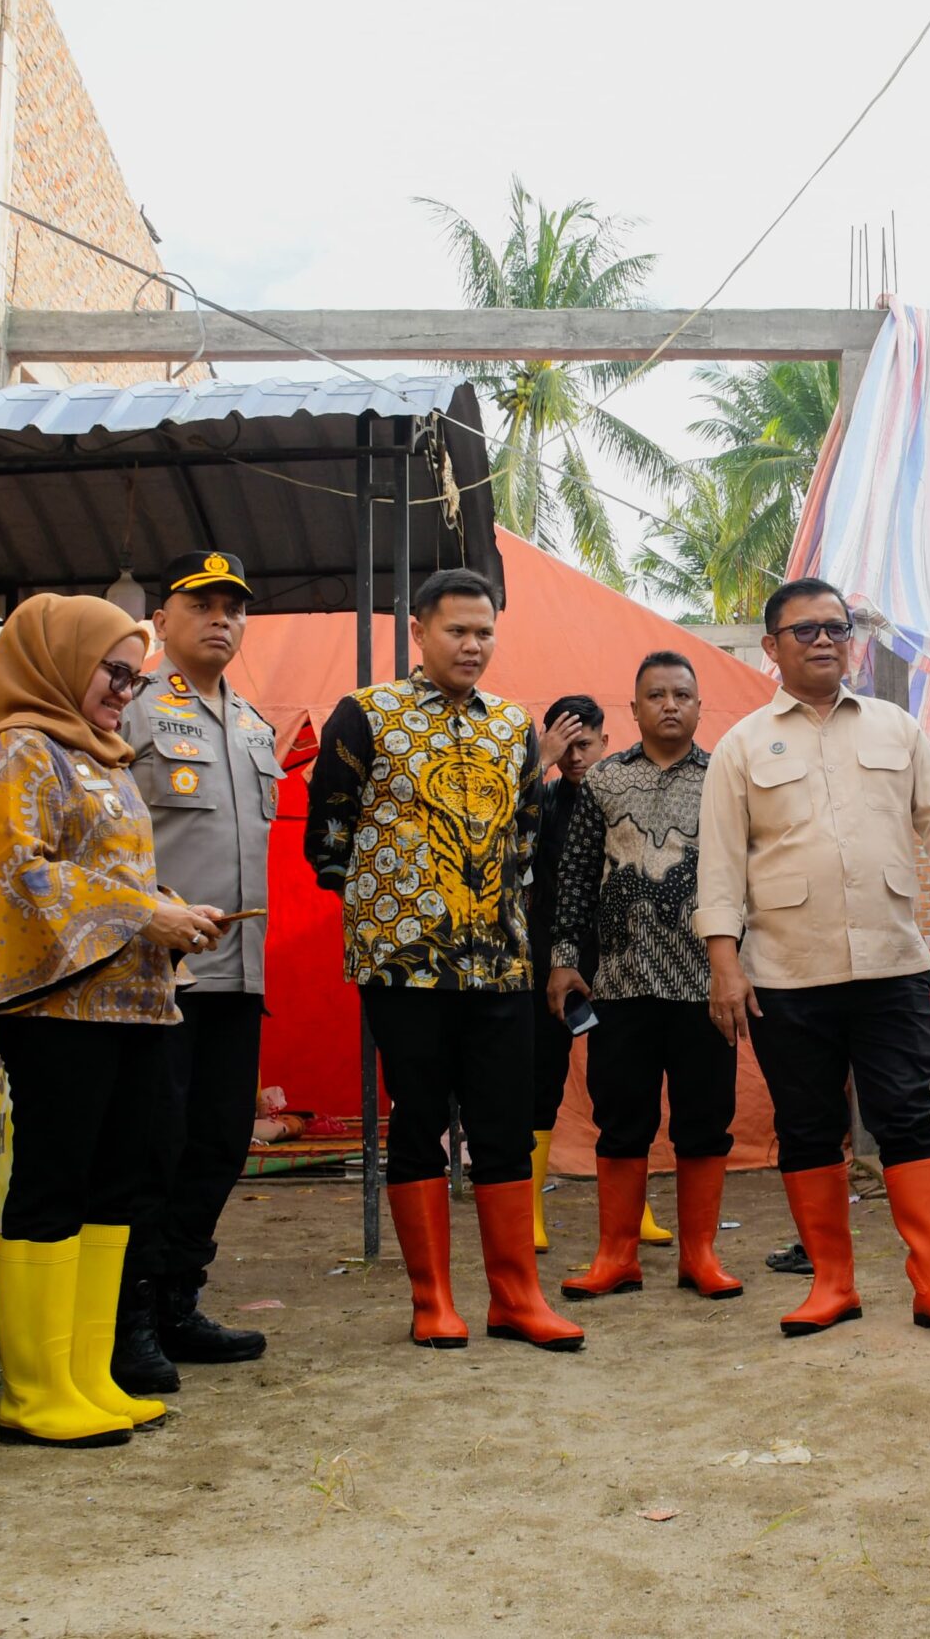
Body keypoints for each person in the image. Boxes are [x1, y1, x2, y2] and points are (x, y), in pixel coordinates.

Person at [694, 578, 930, 1341]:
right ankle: (832, 1283)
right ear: (772, 648)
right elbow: (722, 867)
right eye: (805, 631)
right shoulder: (742, 746)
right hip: (787, 973)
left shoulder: (895, 728)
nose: (825, 640)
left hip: (892, 963)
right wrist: (724, 965)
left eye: (837, 627)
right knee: (807, 1126)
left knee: (906, 1115)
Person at [0, 592, 224, 1448]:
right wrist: (144, 914)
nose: (125, 690)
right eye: (114, 672)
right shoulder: (15, 751)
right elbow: (21, 877)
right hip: (56, 1006)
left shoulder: (101, 756)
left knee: (123, 1183)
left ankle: (87, 1375)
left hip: (133, 1004)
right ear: (58, 659)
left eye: (134, 675)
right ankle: (34, 1394)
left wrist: (173, 910)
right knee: (54, 1182)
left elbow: (110, 876)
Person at [305, 569, 583, 1353]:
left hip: (498, 964)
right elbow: (329, 835)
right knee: (418, 1122)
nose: (472, 644)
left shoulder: (510, 726)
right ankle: (433, 1303)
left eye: (485, 632)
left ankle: (516, 1298)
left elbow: (527, 830)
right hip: (404, 967)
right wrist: (396, 901)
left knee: (501, 1125)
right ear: (419, 631)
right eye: (457, 630)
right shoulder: (366, 715)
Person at [109, 550, 279, 1395]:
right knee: (154, 1148)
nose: (222, 618)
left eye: (234, 607)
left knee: (218, 1145)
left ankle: (179, 1301)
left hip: (240, 976)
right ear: (163, 619)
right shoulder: (129, 710)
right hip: (155, 972)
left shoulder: (254, 725)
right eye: (203, 602)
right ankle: (127, 1320)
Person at [548, 652, 741, 1303]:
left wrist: (739, 968)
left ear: (697, 705)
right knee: (621, 1120)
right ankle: (616, 1256)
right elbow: (572, 880)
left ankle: (700, 1256)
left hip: (703, 987)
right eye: (655, 695)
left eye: (681, 694)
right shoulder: (603, 782)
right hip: (620, 985)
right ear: (633, 709)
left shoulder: (725, 781)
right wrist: (565, 960)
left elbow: (746, 880)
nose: (669, 705)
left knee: (705, 1121)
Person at [524, 694, 667, 1250]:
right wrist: (539, 762)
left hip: (622, 959)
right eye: (565, 748)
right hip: (548, 961)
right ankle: (530, 1210)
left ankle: (638, 1209)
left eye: (584, 744)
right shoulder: (543, 798)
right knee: (540, 1081)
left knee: (626, 1085)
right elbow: (493, 831)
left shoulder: (628, 794)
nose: (575, 757)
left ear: (607, 740)